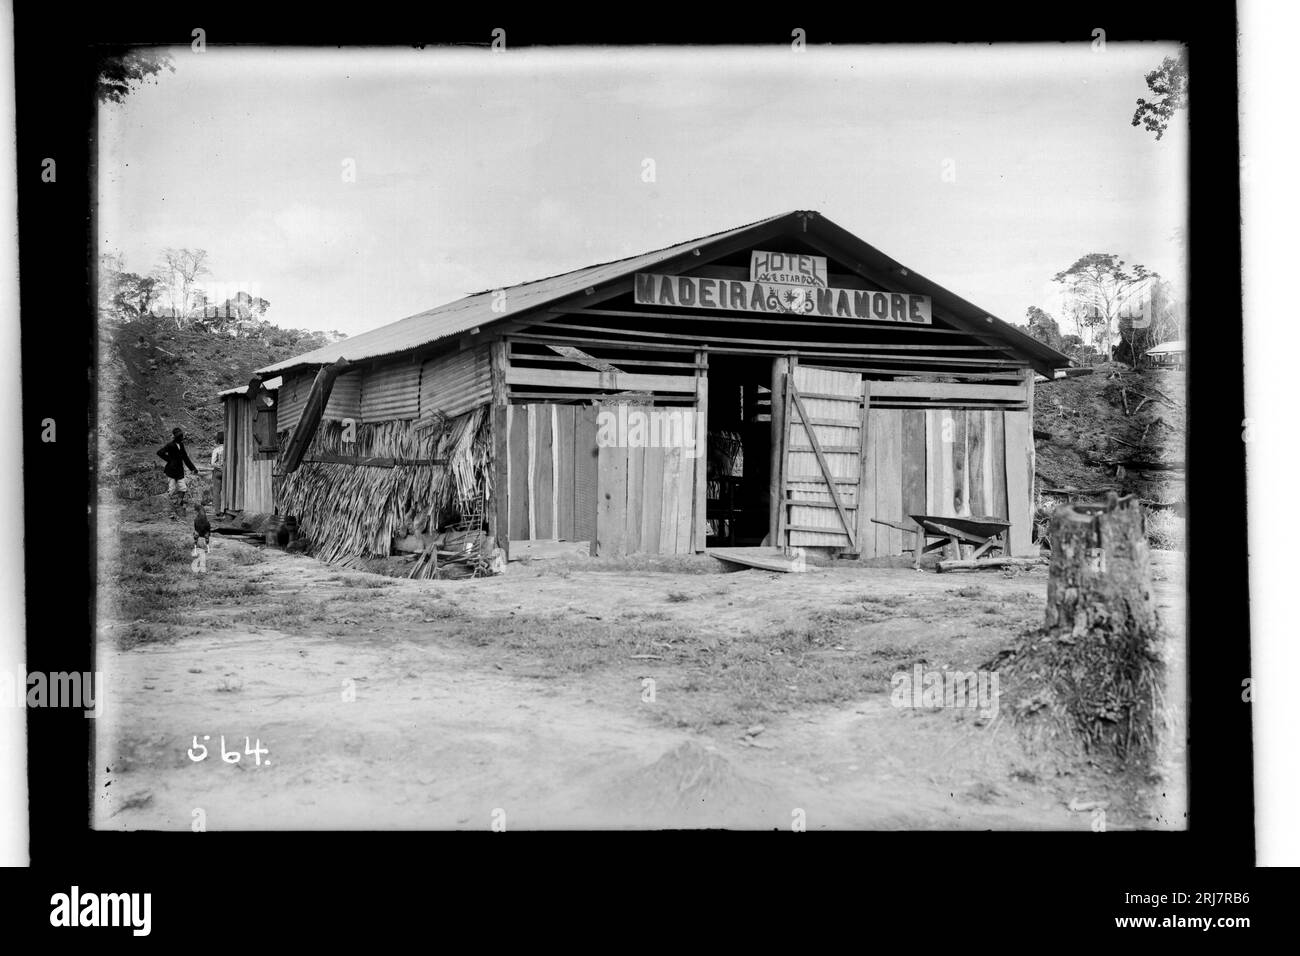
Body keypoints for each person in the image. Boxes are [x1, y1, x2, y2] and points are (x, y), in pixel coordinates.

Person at [157, 427, 199, 518]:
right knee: (171, 489)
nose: (181, 438)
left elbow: (185, 458)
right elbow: (159, 452)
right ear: (175, 436)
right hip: (171, 470)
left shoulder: (181, 445)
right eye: (180, 436)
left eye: (181, 436)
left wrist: (193, 468)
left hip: (179, 471)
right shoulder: (170, 445)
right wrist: (169, 460)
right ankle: (167, 506)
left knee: (183, 488)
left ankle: (178, 504)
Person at [211, 430, 225, 514]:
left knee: (216, 492)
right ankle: (225, 509)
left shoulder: (216, 450)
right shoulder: (228, 449)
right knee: (226, 491)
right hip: (226, 472)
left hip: (217, 472)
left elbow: (212, 463)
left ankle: (217, 511)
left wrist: (219, 467)